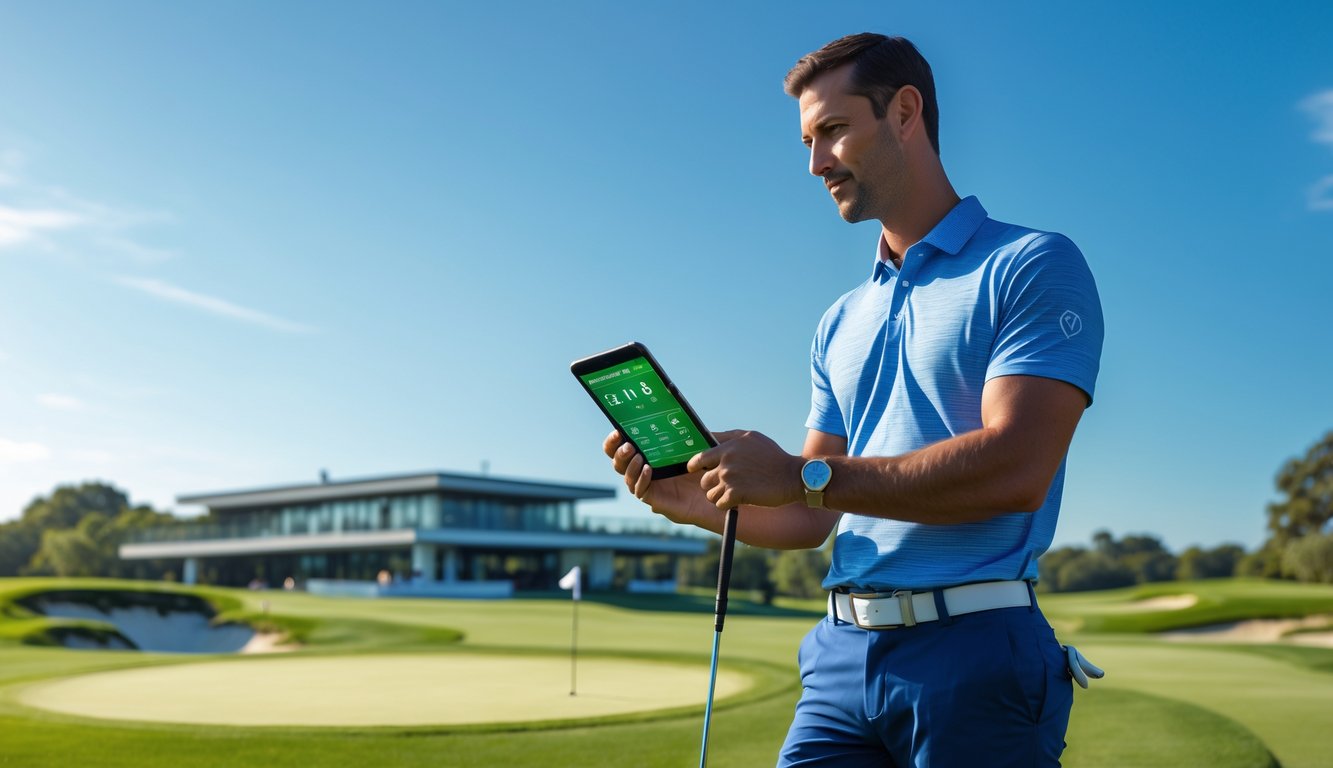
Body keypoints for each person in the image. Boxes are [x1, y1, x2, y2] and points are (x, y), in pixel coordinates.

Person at [602, 32, 1103, 766]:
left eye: (833, 130)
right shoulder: (839, 320)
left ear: (904, 112)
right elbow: (811, 516)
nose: (815, 163)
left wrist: (797, 474)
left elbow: (1017, 468)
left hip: (974, 651)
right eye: (808, 141)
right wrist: (695, 504)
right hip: (839, 659)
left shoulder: (1029, 264)